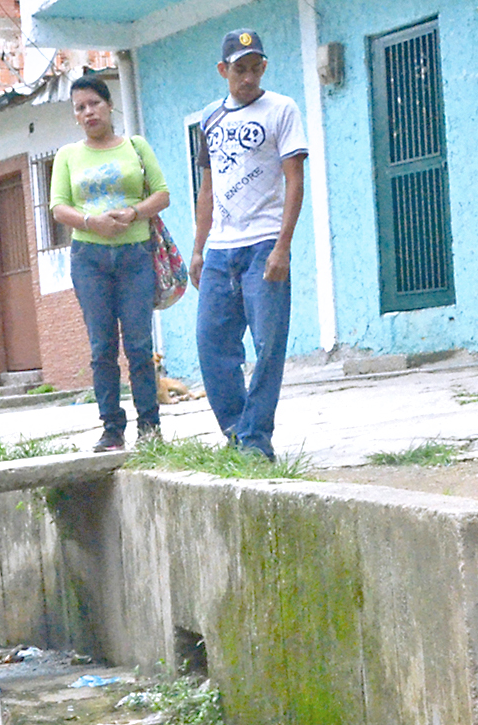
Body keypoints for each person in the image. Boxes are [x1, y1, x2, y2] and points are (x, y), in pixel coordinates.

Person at [189, 29, 308, 460]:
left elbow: (295, 179)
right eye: (240, 68)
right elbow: (207, 188)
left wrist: (282, 246)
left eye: (256, 67)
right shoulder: (210, 118)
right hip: (220, 249)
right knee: (211, 343)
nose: (248, 76)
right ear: (224, 70)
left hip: (263, 244)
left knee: (269, 343)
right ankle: (238, 430)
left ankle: (256, 440)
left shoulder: (282, 109)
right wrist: (198, 248)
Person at [50, 74, 172, 451]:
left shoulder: (135, 147)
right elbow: (57, 207)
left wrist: (133, 213)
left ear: (109, 105)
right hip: (89, 258)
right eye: (80, 108)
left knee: (138, 344)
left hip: (135, 256)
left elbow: (163, 194)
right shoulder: (68, 156)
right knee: (102, 346)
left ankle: (149, 427)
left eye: (94, 104)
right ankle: (111, 429)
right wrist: (92, 222)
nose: (88, 113)